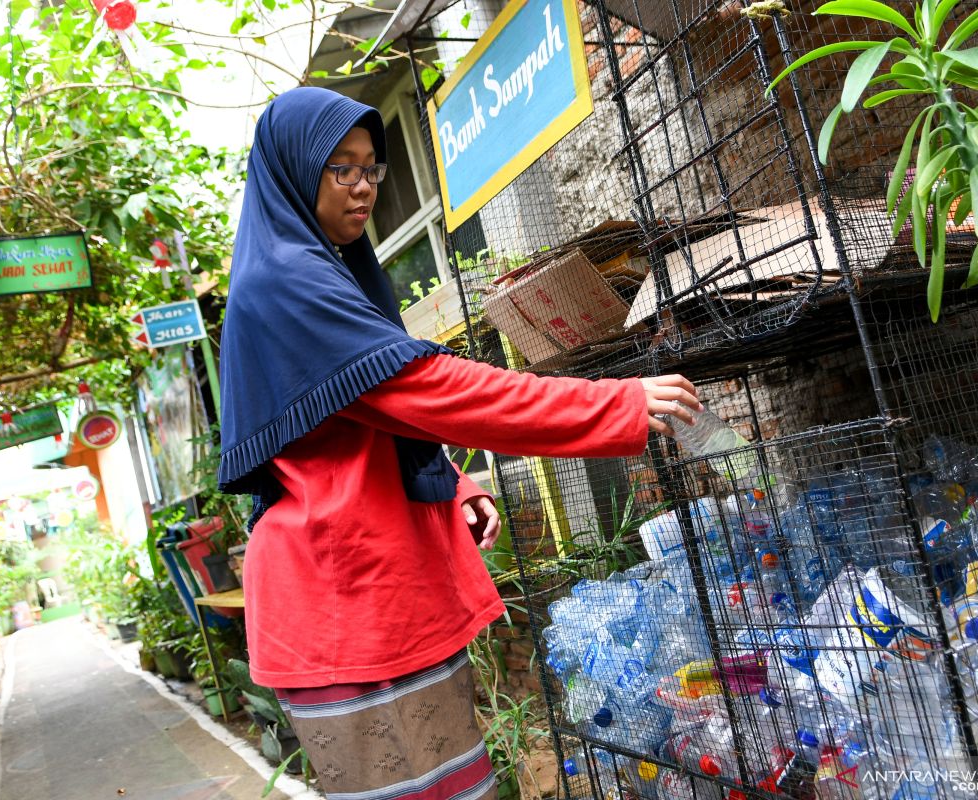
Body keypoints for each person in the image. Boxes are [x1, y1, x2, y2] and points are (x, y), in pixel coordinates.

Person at [217, 86, 701, 800]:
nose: (363, 188)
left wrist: (456, 486)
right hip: (343, 600)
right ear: (293, 170)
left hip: (377, 588)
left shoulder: (321, 269)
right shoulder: (287, 281)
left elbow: (365, 417)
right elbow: (433, 392)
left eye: (372, 169)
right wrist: (610, 403)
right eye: (340, 169)